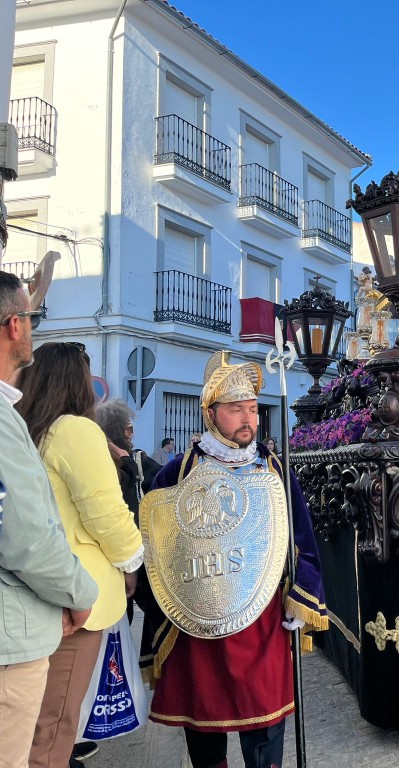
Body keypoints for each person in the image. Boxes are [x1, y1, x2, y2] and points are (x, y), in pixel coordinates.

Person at [140, 351, 328, 768]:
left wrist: (304, 591)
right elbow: (156, 551)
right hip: (200, 621)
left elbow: (302, 538)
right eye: (235, 409)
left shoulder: (275, 468)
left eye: (252, 409)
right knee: (205, 728)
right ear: (210, 413)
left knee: (264, 727)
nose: (248, 419)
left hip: (262, 616)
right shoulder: (177, 474)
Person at [15, 343, 144, 768]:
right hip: (75, 598)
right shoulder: (74, 429)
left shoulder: (27, 428)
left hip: (33, 594)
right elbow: (106, 513)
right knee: (55, 726)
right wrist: (131, 563)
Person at [0, 272, 98, 767]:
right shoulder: (5, 420)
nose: (35, 329)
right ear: (14, 325)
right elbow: (26, 535)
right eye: (33, 318)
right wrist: (83, 594)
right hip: (11, 640)